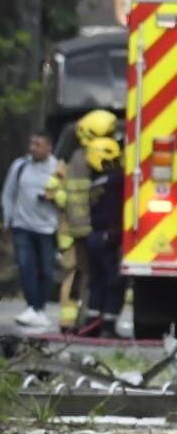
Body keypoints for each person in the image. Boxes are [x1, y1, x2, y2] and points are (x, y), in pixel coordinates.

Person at [54, 109, 117, 331]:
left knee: (84, 276)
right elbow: (77, 201)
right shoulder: (81, 161)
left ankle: (77, 321)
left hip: (77, 229)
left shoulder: (85, 156)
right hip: (74, 231)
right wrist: (84, 229)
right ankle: (68, 322)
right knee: (75, 275)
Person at [0, 131, 59, 329]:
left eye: (38, 144)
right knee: (26, 268)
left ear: (48, 147)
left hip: (47, 228)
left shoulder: (57, 168)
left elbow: (65, 194)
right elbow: (9, 194)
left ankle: (40, 308)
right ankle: (32, 307)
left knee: (47, 270)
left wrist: (54, 197)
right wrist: (7, 222)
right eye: (31, 143)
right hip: (22, 226)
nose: (33, 148)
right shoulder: (20, 166)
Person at [82, 136, 126, 338]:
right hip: (109, 237)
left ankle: (93, 322)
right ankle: (108, 326)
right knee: (114, 281)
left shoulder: (95, 181)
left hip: (95, 236)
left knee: (97, 280)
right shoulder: (115, 179)